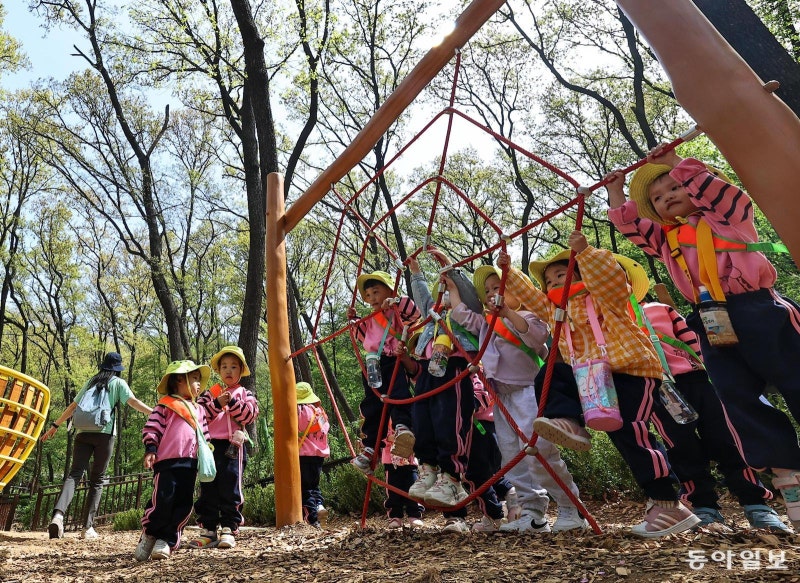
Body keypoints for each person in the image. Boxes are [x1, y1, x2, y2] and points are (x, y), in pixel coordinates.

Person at [607, 145, 800, 529]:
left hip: (757, 309)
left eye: (673, 186)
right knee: (737, 398)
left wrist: (677, 165)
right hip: (712, 322)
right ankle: (789, 478)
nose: (667, 197)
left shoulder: (726, 219)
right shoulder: (668, 241)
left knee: (796, 379)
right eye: (657, 198)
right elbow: (634, 228)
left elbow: (719, 194)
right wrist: (616, 192)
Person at [501, 232, 700, 538]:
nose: (556, 283)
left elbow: (610, 280)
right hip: (591, 378)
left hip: (629, 371)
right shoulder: (559, 314)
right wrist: (509, 273)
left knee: (631, 431)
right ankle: (568, 421)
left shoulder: (605, 298)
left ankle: (668, 503)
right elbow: (530, 298)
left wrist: (586, 253)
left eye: (563, 275)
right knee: (551, 371)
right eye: (550, 281)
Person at [620, 258, 790, 533]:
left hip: (697, 378)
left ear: (630, 283)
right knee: (681, 447)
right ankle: (704, 507)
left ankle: (756, 504)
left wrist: (713, 370)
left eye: (620, 278)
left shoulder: (658, 309)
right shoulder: (609, 328)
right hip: (658, 389)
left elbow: (693, 340)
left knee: (726, 438)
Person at [447, 261, 588, 534]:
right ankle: (532, 511)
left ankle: (572, 507)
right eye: (487, 290)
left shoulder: (531, 316)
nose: (491, 293)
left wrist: (508, 312)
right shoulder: (487, 324)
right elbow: (461, 313)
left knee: (539, 451)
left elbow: (536, 338)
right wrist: (452, 286)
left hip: (528, 392)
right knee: (512, 456)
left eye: (498, 287)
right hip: (501, 399)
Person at [41, 351, 152, 540]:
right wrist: (155, 412)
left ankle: (58, 516)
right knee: (97, 480)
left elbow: (73, 407)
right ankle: (87, 528)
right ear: (117, 369)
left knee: (74, 474)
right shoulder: (118, 383)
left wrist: (55, 425)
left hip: (82, 433)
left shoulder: (91, 382)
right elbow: (133, 402)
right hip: (105, 435)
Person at [405, 251, 482, 516]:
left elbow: (468, 295)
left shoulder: (466, 313)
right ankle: (427, 468)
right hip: (429, 368)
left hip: (454, 367)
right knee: (423, 419)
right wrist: (416, 273)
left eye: (448, 289)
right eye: (443, 290)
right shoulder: (434, 313)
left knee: (449, 420)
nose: (444, 294)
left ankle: (451, 475)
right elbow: (424, 297)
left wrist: (448, 269)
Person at [136, 360, 212, 561]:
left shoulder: (199, 410)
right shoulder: (165, 406)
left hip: (190, 464)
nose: (198, 384)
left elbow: (205, 436)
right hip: (167, 462)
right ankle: (150, 533)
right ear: (180, 380)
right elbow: (152, 428)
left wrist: (207, 454)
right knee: (163, 499)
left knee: (183, 503)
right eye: (194, 379)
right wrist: (151, 448)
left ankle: (167, 540)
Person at [349, 271, 420, 473]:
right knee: (372, 403)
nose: (372, 298)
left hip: (391, 359)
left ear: (389, 291)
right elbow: (362, 337)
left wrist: (396, 302)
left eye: (376, 292)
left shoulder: (395, 311)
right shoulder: (370, 318)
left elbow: (414, 314)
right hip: (372, 363)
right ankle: (371, 447)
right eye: (368, 295)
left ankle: (403, 428)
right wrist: (353, 320)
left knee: (398, 393)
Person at [190, 346, 259, 549]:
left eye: (234, 367)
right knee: (208, 486)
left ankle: (229, 527)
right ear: (219, 371)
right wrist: (217, 404)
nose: (229, 371)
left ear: (241, 371)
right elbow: (198, 415)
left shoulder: (245, 393)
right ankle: (209, 530)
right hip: (210, 446)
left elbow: (250, 415)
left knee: (231, 485)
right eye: (225, 367)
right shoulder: (210, 393)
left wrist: (234, 403)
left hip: (233, 445)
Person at [296, 382, 330, 528]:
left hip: (304, 455)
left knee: (305, 488)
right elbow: (326, 428)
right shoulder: (319, 412)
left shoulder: (298, 411)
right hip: (319, 456)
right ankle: (320, 505)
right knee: (314, 485)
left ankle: (312, 519)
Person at [382, 423, 425, 529]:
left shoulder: (408, 415)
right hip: (391, 462)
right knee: (393, 491)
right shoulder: (384, 416)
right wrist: (389, 437)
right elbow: (379, 437)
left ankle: (414, 515)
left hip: (409, 461)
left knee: (413, 489)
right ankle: (395, 516)